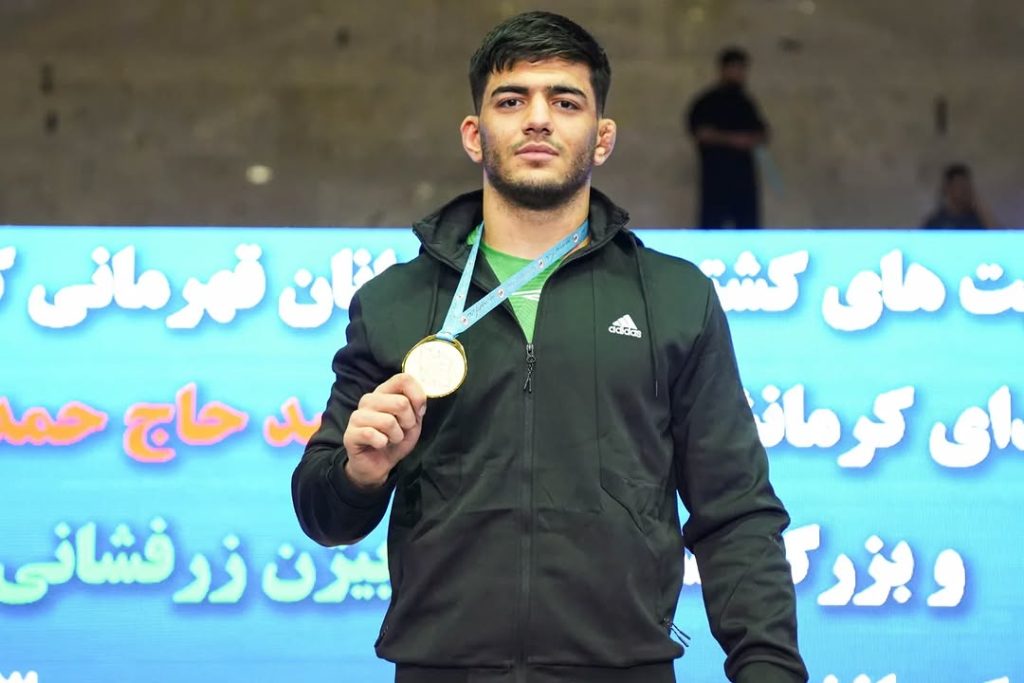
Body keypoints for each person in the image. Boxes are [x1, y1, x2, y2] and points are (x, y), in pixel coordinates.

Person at [292, 11, 807, 683]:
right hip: (442, 668)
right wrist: (360, 473)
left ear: (602, 137)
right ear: (474, 134)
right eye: (512, 100)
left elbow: (735, 511)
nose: (538, 119)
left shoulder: (675, 298)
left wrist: (768, 668)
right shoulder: (395, 301)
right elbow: (322, 511)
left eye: (565, 102)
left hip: (624, 668)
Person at [685, 47, 770, 229]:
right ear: (724, 69)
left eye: (741, 69)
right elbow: (701, 134)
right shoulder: (707, 102)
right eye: (735, 68)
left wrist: (749, 139)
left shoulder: (746, 103)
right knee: (711, 229)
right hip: (716, 180)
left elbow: (761, 133)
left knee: (748, 231)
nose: (739, 74)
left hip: (744, 181)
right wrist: (734, 140)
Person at [921, 163, 998, 229]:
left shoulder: (977, 218)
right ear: (948, 188)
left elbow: (998, 237)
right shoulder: (937, 221)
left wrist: (979, 206)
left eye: (966, 186)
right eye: (959, 186)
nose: (964, 191)